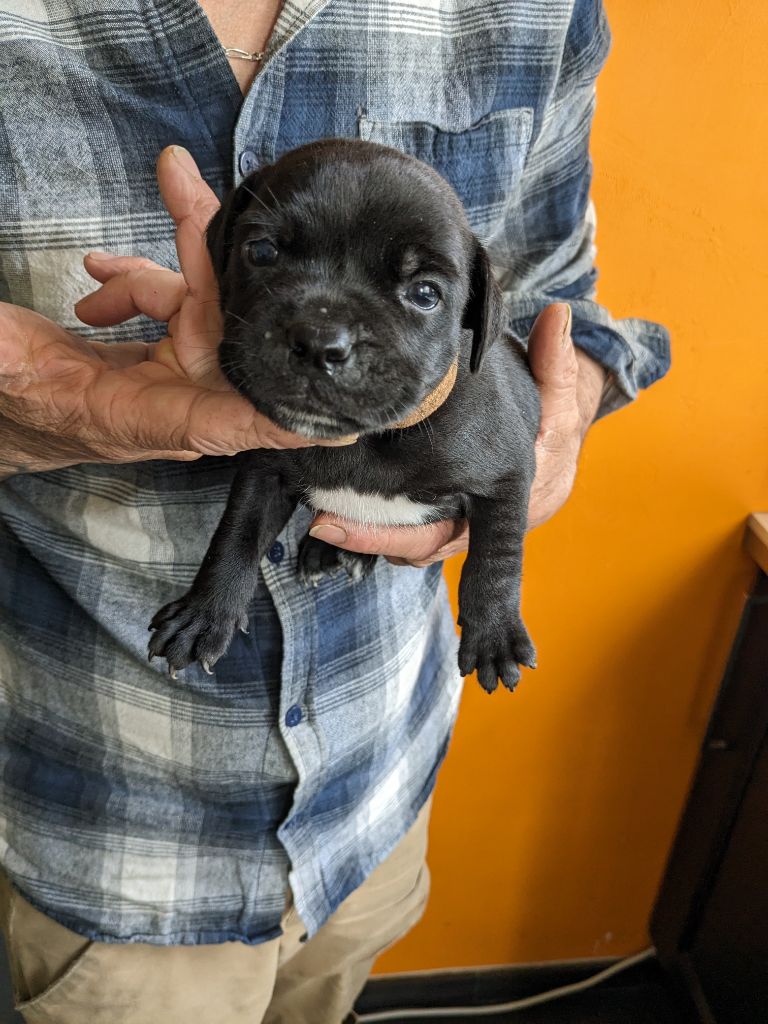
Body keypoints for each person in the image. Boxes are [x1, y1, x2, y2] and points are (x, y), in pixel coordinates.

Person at [0, 1, 669, 1021]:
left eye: (419, 292)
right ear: (226, 245)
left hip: (377, 786)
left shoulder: (541, 12)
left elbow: (558, 297)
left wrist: (560, 416)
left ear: (470, 315)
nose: (328, 336)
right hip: (119, 824)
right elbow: (269, 473)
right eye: (270, 256)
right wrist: (25, 421)